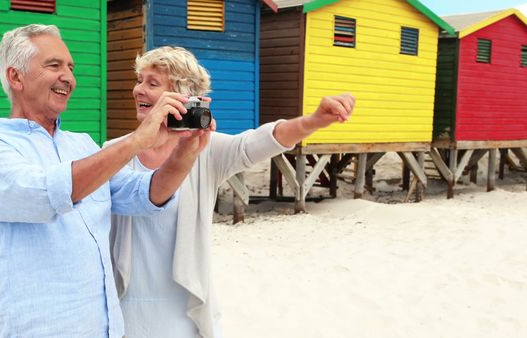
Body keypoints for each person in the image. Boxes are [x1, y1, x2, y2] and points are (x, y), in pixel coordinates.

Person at [0, 26, 211, 338]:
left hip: (105, 329)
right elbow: (46, 194)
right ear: (16, 77)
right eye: (54, 66)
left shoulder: (81, 145)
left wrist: (186, 151)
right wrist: (136, 141)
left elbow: (143, 196)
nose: (68, 77)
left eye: (71, 68)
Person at [105, 46, 355, 338]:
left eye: (152, 83)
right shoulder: (115, 151)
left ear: (183, 98)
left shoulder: (205, 148)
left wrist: (314, 120)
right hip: (126, 302)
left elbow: (260, 142)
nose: (138, 90)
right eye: (139, 80)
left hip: (185, 306)